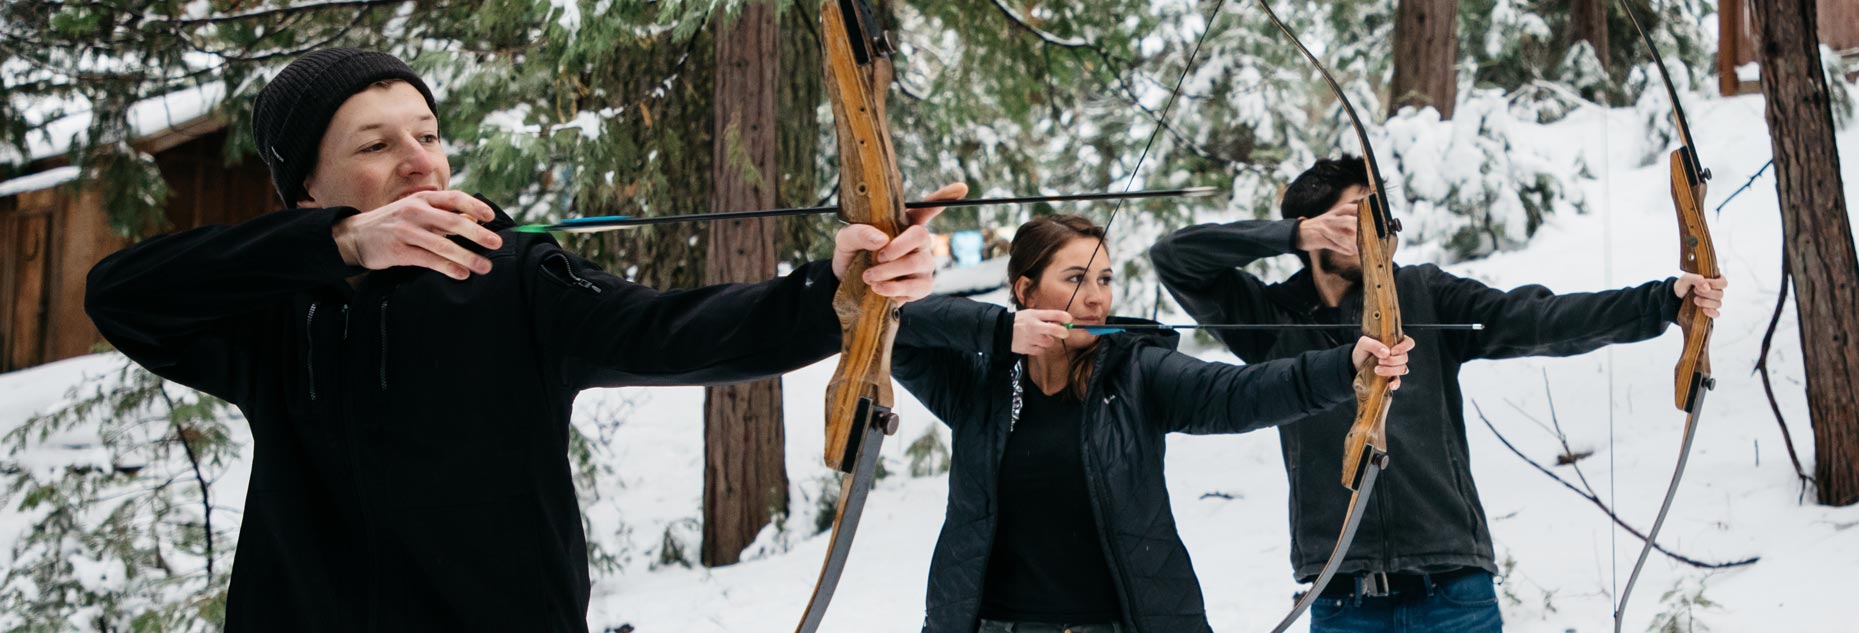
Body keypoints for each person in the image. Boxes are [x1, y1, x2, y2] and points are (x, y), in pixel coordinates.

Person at [83, 48, 953, 632]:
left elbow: (668, 331)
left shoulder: (515, 280)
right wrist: (343, 246)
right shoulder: (273, 316)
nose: (421, 161)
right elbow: (121, 295)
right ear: (305, 188)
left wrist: (836, 292)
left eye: (427, 134)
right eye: (377, 145)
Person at [1147, 156, 1729, 632]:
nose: (1376, 228)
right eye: (1355, 214)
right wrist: (1291, 234)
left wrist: (1660, 301)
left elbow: (1535, 318)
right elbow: (1175, 258)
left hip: (1453, 590)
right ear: (1314, 229)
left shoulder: (1421, 293)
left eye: (1379, 214)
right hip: (1341, 595)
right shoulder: (1271, 317)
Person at [892, 214, 1415, 633]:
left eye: (1104, 279)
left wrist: (1346, 365)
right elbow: (890, 323)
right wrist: (1000, 329)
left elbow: (1239, 394)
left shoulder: (1138, 371)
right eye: (1076, 279)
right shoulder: (976, 384)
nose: (1097, 297)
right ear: (1026, 291)